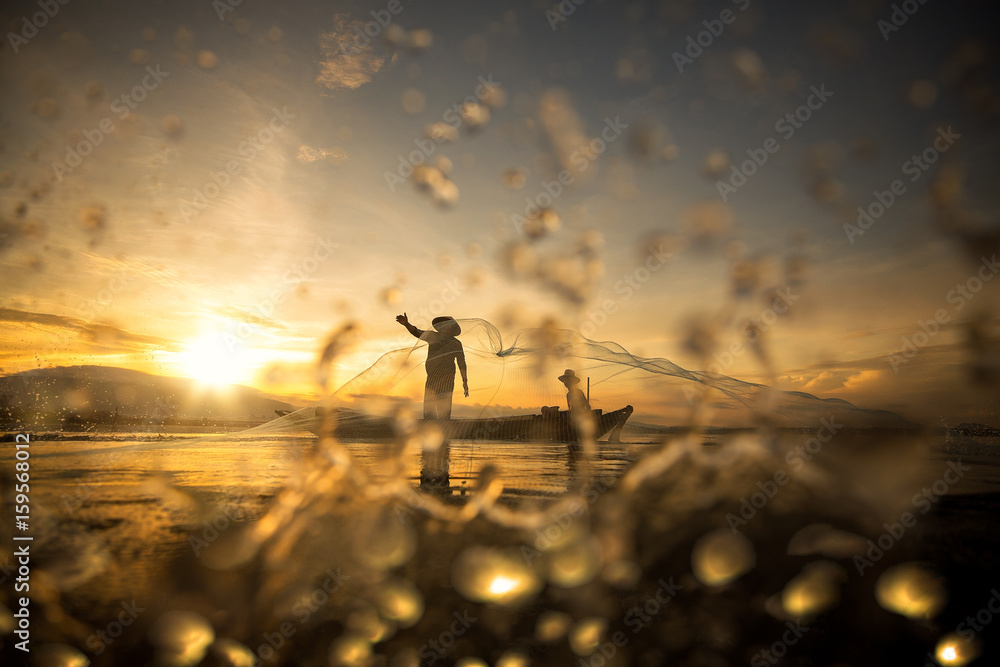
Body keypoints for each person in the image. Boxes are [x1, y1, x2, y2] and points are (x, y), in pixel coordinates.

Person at [396, 313, 468, 420]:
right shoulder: (433, 336)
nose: (444, 327)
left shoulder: (456, 343)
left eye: (447, 325)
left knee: (444, 410)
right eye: (442, 325)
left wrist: (465, 382)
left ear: (452, 328)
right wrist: (406, 324)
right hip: (432, 378)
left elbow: (461, 363)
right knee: (429, 409)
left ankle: (444, 431)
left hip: (447, 379)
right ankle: (428, 431)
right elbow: (417, 332)